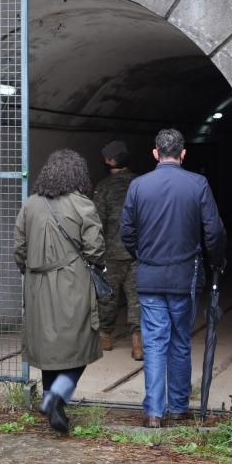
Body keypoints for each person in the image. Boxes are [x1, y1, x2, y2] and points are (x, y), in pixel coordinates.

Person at [120, 128, 227, 428]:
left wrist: (142, 254)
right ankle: (179, 407)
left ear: (155, 153)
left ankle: (154, 411)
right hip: (185, 276)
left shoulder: (138, 186)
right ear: (183, 153)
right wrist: (216, 261)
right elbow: (213, 231)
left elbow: (126, 232)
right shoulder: (198, 184)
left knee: (153, 342)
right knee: (180, 340)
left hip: (149, 276)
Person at [14, 149, 105, 434]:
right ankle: (57, 396)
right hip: (72, 282)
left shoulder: (30, 204)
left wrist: (30, 272)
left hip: (37, 284)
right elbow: (95, 249)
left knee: (48, 345)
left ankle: (51, 397)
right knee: (81, 342)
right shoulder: (83, 204)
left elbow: (19, 247)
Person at [93, 139, 142, 358]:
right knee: (137, 298)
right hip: (138, 252)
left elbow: (97, 222)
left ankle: (105, 337)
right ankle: (137, 343)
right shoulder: (141, 184)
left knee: (107, 297)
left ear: (110, 162)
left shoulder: (103, 188)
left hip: (111, 254)